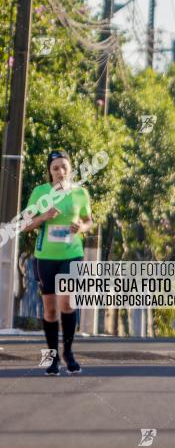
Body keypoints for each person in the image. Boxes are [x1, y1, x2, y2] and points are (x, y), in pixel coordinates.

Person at [21, 150, 94, 375]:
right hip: (45, 257)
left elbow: (89, 221)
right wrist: (43, 217)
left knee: (68, 304)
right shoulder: (40, 193)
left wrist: (81, 228)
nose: (61, 171)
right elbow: (25, 224)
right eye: (55, 168)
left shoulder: (81, 193)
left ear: (70, 169)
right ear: (50, 172)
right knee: (50, 310)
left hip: (71, 255)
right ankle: (52, 357)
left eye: (64, 166)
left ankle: (68, 353)